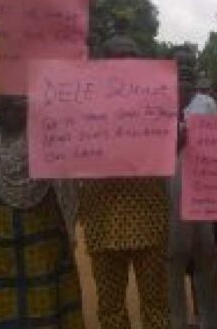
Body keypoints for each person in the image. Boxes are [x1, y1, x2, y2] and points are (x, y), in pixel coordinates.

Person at [78, 35, 170, 328]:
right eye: (115, 56)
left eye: (130, 55)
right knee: (110, 306)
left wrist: (177, 139)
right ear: (102, 62)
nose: (123, 61)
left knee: (156, 303)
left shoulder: (160, 99)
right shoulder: (79, 101)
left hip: (150, 218)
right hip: (102, 220)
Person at [0, 95, 83, 328]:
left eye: (20, 101)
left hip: (42, 235)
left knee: (45, 303)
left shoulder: (49, 134)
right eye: (6, 100)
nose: (13, 105)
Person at [168, 61, 217, 329]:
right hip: (168, 193)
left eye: (188, 73)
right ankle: (176, 321)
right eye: (179, 72)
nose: (184, 78)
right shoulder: (154, 104)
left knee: (206, 261)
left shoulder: (206, 104)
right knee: (173, 262)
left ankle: (210, 320)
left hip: (202, 194)